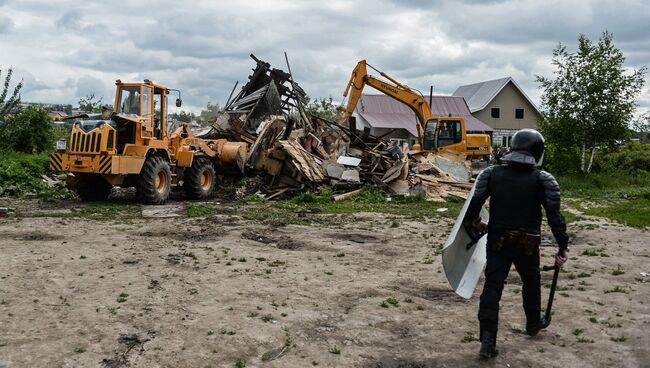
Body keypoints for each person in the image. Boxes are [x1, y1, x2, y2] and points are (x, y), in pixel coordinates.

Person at [462, 129, 569, 360]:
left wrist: (475, 223)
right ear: (537, 152)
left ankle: (488, 340)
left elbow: (473, 207)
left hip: (498, 240)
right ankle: (532, 323)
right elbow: (554, 217)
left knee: (493, 287)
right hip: (527, 244)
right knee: (531, 282)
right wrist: (562, 246)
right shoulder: (543, 180)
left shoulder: (491, 174)